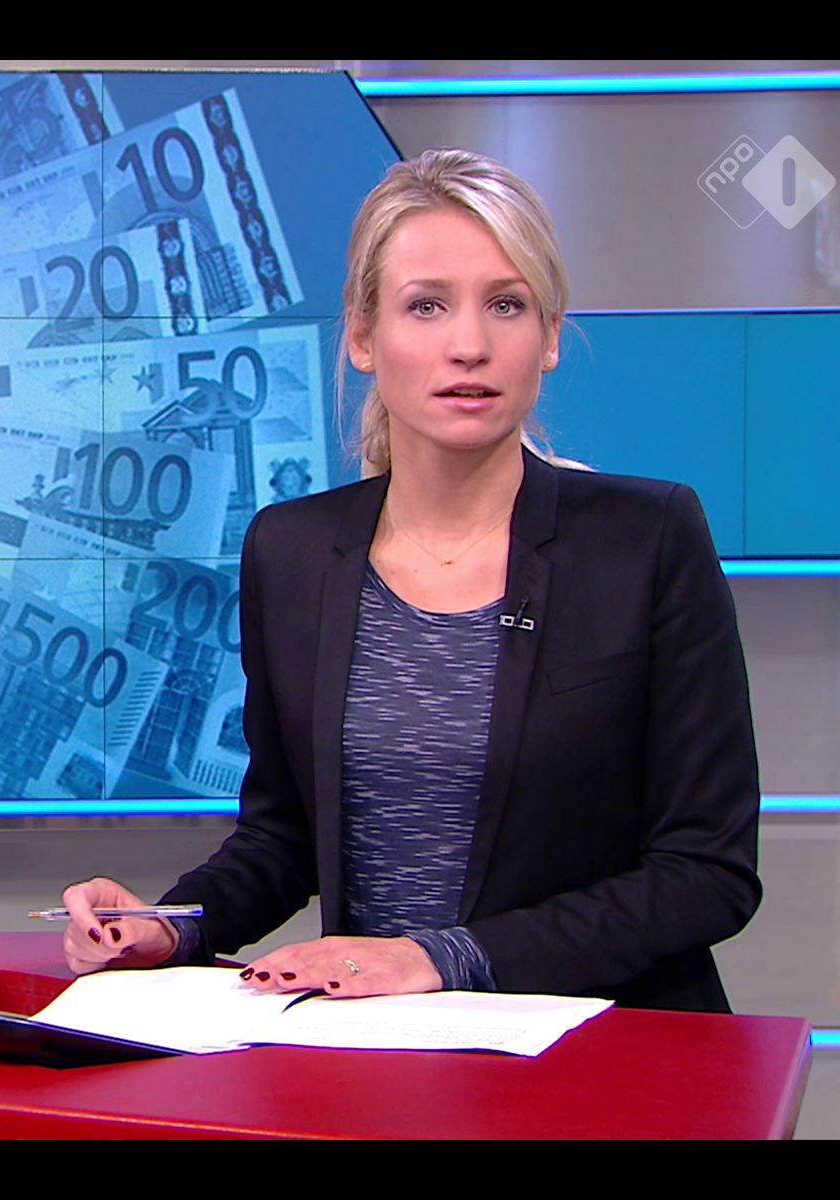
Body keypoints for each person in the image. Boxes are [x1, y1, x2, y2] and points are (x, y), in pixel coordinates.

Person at [62, 148, 762, 1012]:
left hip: (595, 1047)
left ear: (548, 336)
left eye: (506, 305)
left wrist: (442, 959)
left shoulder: (645, 539)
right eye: (426, 306)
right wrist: (173, 927)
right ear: (363, 336)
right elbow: (283, 837)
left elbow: (706, 872)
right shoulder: (292, 550)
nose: (469, 345)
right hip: (381, 1054)